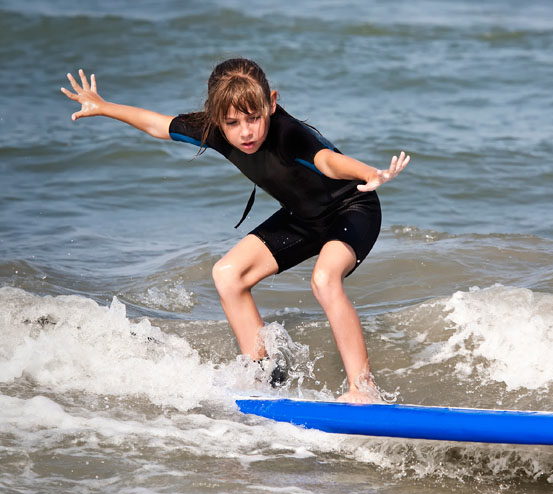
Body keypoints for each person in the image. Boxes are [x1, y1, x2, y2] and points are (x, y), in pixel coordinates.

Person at [61, 58, 410, 403]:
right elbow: (158, 125)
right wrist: (104, 107)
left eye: (254, 118)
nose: (246, 131)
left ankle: (363, 389)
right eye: (233, 122)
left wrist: (367, 172)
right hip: (303, 218)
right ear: (216, 120)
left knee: (324, 279)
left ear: (271, 103)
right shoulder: (214, 130)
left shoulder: (288, 132)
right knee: (228, 275)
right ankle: (266, 379)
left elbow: (326, 160)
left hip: (352, 208)